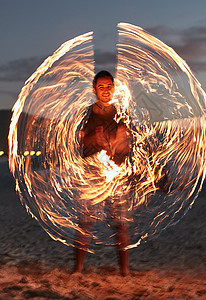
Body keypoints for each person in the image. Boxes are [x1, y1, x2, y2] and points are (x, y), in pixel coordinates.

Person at [74, 70, 132, 276]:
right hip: (91, 172)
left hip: (114, 174)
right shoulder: (86, 114)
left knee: (121, 224)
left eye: (109, 86)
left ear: (113, 88)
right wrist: (94, 139)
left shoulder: (121, 114)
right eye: (101, 87)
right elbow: (79, 143)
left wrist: (116, 143)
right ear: (94, 89)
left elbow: (126, 145)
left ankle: (125, 271)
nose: (105, 90)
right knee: (85, 223)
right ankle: (78, 268)